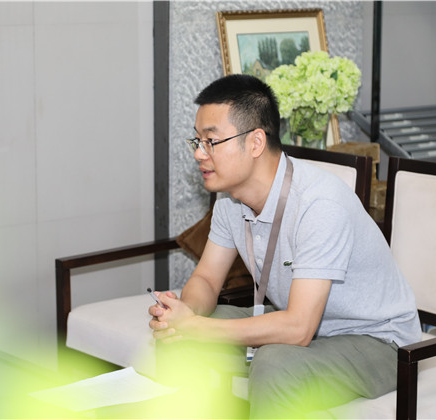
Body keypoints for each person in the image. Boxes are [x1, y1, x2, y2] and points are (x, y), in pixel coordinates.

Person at [148, 74, 421, 418]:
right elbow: (206, 280)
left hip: (378, 342)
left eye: (211, 141)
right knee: (178, 339)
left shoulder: (319, 203)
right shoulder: (229, 201)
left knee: (276, 363)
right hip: (303, 325)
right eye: (197, 140)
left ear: (255, 142)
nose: (199, 153)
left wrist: (200, 328)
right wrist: (185, 313)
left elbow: (298, 328)